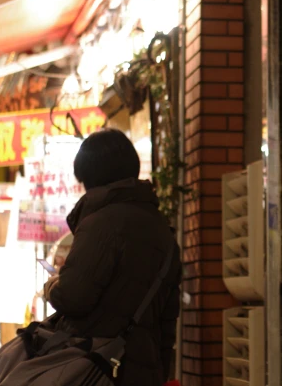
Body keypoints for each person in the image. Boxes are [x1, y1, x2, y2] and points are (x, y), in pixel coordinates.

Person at [42, 129, 182, 385]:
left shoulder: (101, 224)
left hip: (95, 368)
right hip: (143, 371)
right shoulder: (164, 233)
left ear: (91, 177)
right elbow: (167, 321)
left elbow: (73, 298)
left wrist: (52, 287)